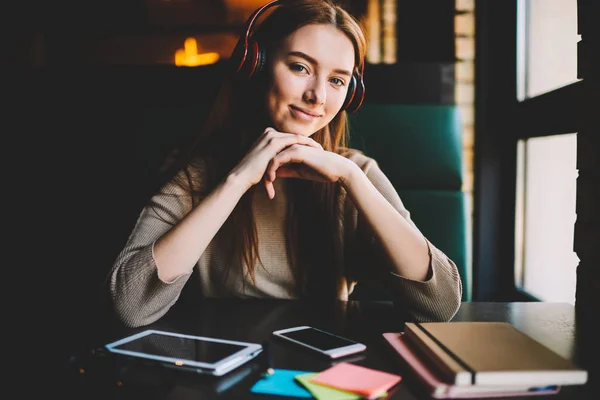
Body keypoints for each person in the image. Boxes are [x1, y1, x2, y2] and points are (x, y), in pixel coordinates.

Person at [107, 0, 462, 328]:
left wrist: (350, 177)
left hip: (326, 376)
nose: (317, 96)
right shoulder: (198, 173)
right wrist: (236, 181)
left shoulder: (357, 174)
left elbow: (440, 305)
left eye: (337, 80)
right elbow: (131, 305)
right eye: (299, 67)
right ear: (256, 64)